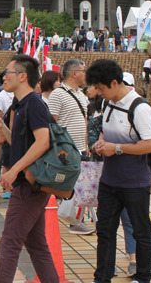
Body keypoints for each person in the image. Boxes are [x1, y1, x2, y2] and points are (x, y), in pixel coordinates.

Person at [85, 59, 151, 283]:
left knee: (140, 230)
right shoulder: (107, 103)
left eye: (100, 88)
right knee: (104, 231)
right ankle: (102, 277)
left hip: (135, 183)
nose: (98, 92)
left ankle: (143, 276)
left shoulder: (140, 107)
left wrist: (116, 148)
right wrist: (101, 142)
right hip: (110, 181)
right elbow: (106, 132)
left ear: (115, 83)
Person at [0, 54, 59, 283]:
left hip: (30, 184)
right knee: (36, 244)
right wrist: (1, 126)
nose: (4, 76)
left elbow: (44, 142)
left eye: (8, 72)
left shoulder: (35, 104)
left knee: (9, 243)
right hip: (29, 182)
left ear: (22, 76)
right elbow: (21, 143)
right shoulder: (19, 105)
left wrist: (13, 170)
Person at [46, 59, 93, 235]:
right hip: (66, 149)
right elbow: (52, 122)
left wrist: (87, 143)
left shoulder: (81, 94)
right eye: (83, 70)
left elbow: (85, 121)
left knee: (78, 186)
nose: (85, 74)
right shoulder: (58, 94)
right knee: (62, 184)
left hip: (81, 148)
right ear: (74, 73)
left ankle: (74, 221)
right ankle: (59, 218)